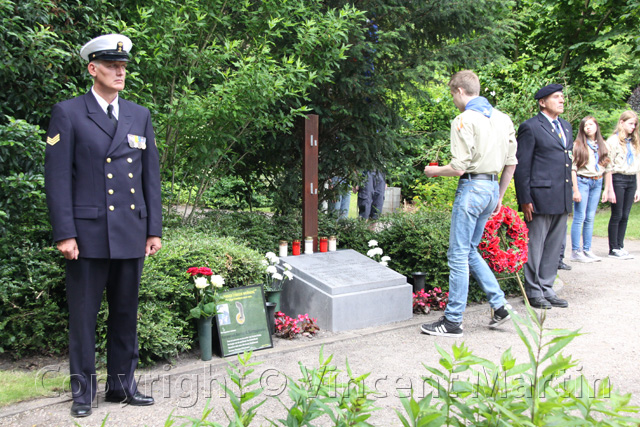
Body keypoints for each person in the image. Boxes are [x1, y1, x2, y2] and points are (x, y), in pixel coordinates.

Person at [44, 34, 162, 417]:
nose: (120, 72)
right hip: (88, 235)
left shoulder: (138, 115)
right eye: (112, 66)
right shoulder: (69, 113)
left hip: (130, 230)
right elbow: (58, 178)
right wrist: (64, 232)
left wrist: (153, 229)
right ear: (92, 69)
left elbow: (150, 178)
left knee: (126, 314)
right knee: (83, 317)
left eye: (123, 66)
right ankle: (82, 393)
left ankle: (121, 386)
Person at [421, 70, 517, 338]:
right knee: (471, 251)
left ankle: (452, 321)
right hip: (491, 188)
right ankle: (499, 305)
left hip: (472, 188)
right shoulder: (502, 118)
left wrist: (434, 171)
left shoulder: (464, 119)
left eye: (453, 94)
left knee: (458, 255)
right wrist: (499, 195)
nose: (453, 100)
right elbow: (512, 162)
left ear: (460, 91)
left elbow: (458, 167)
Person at [513, 84, 572, 310]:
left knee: (554, 246)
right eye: (556, 97)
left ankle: (548, 288)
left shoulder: (565, 127)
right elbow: (522, 165)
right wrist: (524, 199)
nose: (561, 100)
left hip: (561, 195)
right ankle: (534, 291)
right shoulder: (530, 127)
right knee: (535, 246)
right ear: (542, 102)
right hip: (539, 197)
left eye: (562, 97)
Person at [570, 116, 612, 262]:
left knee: (590, 217)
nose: (588, 127)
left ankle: (587, 249)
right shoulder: (578, 145)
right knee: (579, 216)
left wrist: (607, 189)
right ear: (582, 129)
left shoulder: (602, 145)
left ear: (596, 126)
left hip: (597, 182)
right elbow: (573, 169)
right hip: (583, 181)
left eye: (591, 124)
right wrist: (575, 190)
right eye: (585, 125)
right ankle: (576, 251)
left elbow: (608, 169)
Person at [605, 110, 640, 259]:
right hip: (618, 178)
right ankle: (613, 248)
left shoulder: (634, 141)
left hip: (631, 178)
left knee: (625, 215)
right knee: (617, 214)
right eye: (630, 123)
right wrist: (609, 188)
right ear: (622, 123)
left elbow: (637, 166)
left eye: (635, 124)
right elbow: (608, 166)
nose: (633, 127)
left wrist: (638, 187)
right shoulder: (612, 141)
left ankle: (620, 245)